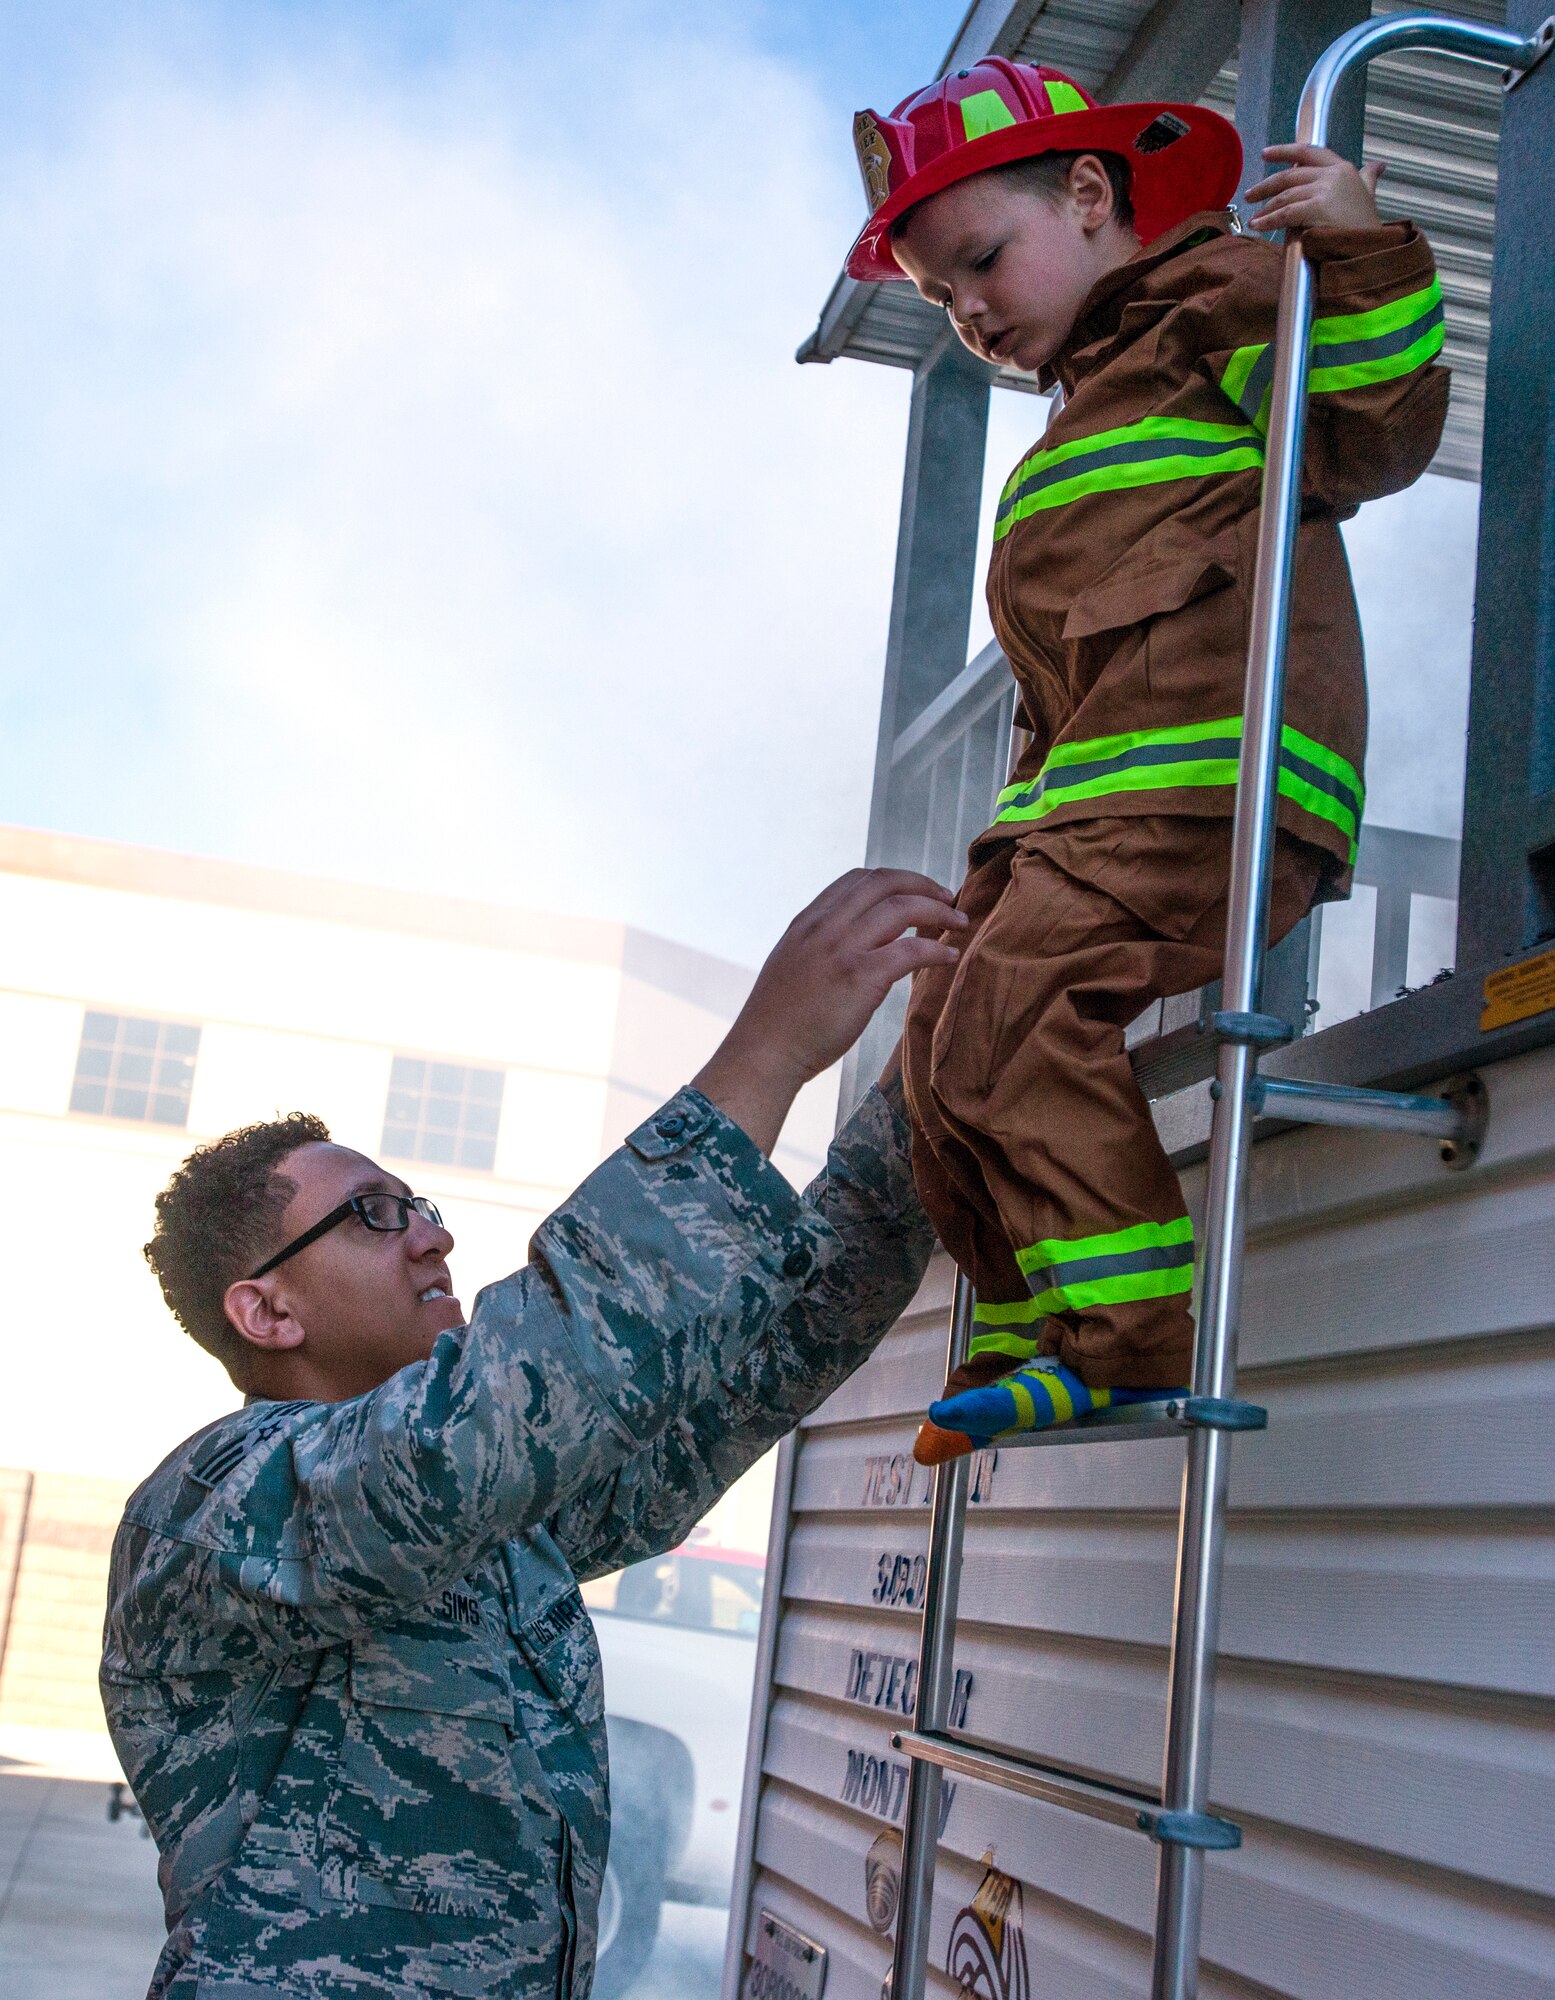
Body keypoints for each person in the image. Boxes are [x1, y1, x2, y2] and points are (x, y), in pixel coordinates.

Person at [100, 866, 963, 2000]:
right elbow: (518, 1389)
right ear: (266, 1309)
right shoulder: (217, 1504)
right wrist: (765, 1055)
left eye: (421, 1205)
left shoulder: (500, 1514)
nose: (432, 1236)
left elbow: (765, 1349)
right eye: (373, 1214)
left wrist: (937, 1053)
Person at [843, 56, 1448, 1463]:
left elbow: (1368, 430)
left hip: (1205, 787)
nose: (972, 310)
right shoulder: (1078, 420)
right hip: (1079, 808)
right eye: (942, 299)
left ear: (1088, 191)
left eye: (982, 261)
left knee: (1009, 1015)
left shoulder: (1212, 302)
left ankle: (1125, 1345)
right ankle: (1022, 1321)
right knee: (938, 1043)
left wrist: (1356, 248)